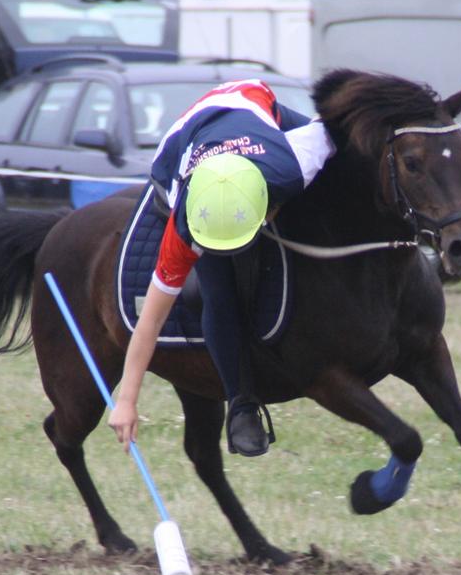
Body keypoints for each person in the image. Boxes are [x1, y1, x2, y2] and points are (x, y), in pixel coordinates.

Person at [109, 79, 334, 457]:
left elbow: (340, 125)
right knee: (217, 282)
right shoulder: (183, 223)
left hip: (252, 102)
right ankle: (241, 402)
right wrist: (127, 401)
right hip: (184, 140)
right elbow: (149, 320)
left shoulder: (292, 165)